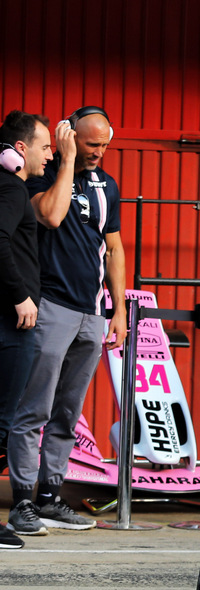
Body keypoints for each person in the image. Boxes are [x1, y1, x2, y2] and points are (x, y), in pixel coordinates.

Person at [7, 106, 127, 536]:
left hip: (91, 314)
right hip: (51, 306)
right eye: (91, 144)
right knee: (33, 409)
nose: (99, 152)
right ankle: (21, 501)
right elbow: (51, 216)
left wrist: (118, 310)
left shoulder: (107, 186)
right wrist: (68, 161)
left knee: (67, 412)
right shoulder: (42, 172)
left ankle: (50, 496)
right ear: (70, 136)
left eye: (105, 145)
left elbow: (114, 249)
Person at [0, 111, 54, 550]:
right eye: (45, 146)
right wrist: (20, 295)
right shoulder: (11, 188)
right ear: (21, 148)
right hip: (11, 321)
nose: (49, 154)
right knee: (3, 421)